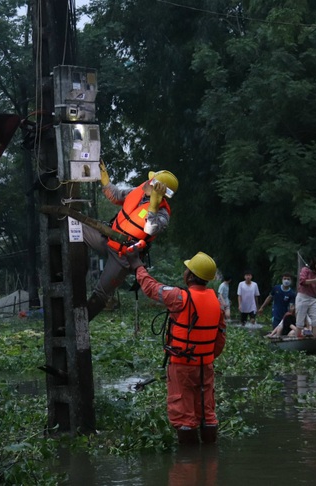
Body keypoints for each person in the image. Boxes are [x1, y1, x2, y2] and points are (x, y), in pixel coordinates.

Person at [127, 251, 226, 445]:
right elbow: (220, 339)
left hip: (182, 366)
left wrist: (138, 266)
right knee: (207, 412)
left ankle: (188, 465)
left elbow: (150, 288)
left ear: (190, 275)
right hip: (205, 366)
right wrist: (205, 357)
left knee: (183, 414)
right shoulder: (218, 302)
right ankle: (209, 459)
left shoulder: (179, 297)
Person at [84, 160, 178, 320]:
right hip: (108, 238)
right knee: (75, 228)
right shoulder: (138, 191)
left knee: (101, 293)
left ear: (158, 189)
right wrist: (105, 181)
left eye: (151, 181)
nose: (147, 182)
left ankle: (81, 323)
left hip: (124, 256)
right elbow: (116, 196)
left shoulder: (162, 213)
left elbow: (150, 229)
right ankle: (76, 268)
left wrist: (153, 206)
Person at [294, 257, 316, 338]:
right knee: (300, 321)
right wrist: (314, 280)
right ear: (314, 265)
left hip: (312, 299)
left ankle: (315, 339)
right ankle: (297, 339)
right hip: (302, 297)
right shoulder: (305, 270)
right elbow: (302, 281)